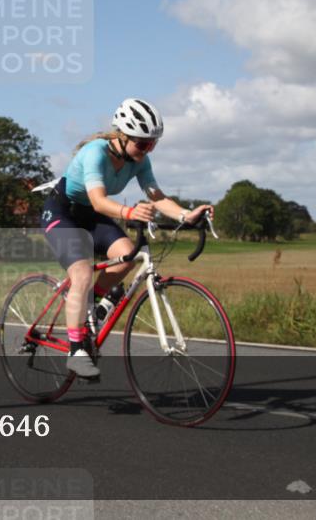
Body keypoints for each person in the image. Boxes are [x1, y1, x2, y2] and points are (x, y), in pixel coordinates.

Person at [40, 98, 213, 378]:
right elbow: (98, 201)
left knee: (127, 256)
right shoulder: (95, 153)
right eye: (143, 144)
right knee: (82, 273)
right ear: (122, 136)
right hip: (63, 213)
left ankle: (90, 306)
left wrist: (186, 215)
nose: (148, 150)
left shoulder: (139, 161)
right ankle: (75, 350)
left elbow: (157, 197)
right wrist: (130, 211)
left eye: (153, 144)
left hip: (91, 216)